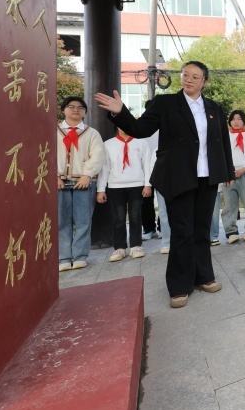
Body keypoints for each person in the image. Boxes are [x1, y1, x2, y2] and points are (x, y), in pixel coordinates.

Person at [94, 61, 233, 309]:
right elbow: (140, 129)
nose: (189, 79)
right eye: (185, 75)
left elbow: (222, 141)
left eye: (195, 76)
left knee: (202, 229)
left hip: (207, 177)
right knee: (181, 230)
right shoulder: (166, 103)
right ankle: (179, 286)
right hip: (177, 176)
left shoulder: (214, 108)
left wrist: (228, 170)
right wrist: (120, 112)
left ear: (205, 82)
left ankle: (204, 276)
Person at [56, 96, 104, 272]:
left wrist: (87, 175)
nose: (76, 110)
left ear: (85, 112)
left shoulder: (91, 133)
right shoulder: (54, 131)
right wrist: (55, 175)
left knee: (83, 220)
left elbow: (98, 156)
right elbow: (46, 153)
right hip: (60, 182)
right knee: (61, 221)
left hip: (83, 182)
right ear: (63, 110)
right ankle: (63, 257)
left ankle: (80, 256)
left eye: (80, 108)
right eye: (71, 107)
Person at [97, 126, 154, 261]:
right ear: (116, 126)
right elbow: (104, 167)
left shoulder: (141, 143)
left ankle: (136, 246)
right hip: (115, 185)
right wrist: (101, 189)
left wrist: (148, 184)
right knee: (118, 218)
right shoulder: (108, 144)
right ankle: (120, 248)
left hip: (137, 184)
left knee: (135, 216)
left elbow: (147, 164)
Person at [222, 110, 245, 244]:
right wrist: (229, 170)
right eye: (233, 119)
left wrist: (244, 168)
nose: (236, 122)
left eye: (239, 119)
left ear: (243, 121)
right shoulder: (225, 135)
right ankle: (231, 232)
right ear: (230, 121)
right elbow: (222, 153)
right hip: (229, 175)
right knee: (229, 205)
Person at [142, 99, 170, 254]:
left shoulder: (169, 124)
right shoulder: (143, 126)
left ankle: (170, 236)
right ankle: (155, 232)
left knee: (177, 213)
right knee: (158, 208)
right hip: (153, 172)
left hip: (176, 175)